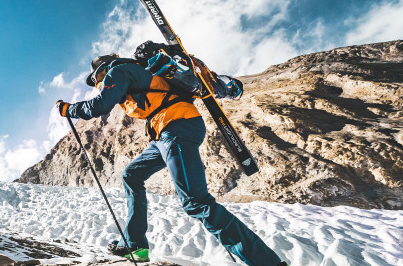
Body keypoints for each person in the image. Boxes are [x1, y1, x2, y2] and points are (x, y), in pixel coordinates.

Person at [55, 43, 285, 266]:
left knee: (196, 202)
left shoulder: (118, 71)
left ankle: (267, 262)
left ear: (102, 70)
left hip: (176, 126)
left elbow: (99, 106)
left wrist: (69, 109)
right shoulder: (139, 72)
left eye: (95, 79)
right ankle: (136, 245)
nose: (95, 83)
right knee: (131, 175)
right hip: (165, 133)